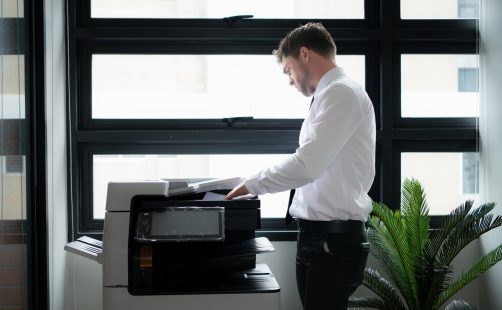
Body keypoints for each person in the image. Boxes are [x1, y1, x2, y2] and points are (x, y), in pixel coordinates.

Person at [224, 22, 376, 310]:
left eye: (288, 70)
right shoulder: (329, 95)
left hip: (333, 241)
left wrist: (252, 183)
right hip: (319, 238)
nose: (290, 80)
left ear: (305, 54)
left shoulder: (341, 93)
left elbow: (307, 165)